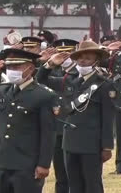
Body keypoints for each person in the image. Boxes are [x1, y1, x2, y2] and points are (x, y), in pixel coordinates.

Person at [0, 47, 57, 193]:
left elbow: (48, 133)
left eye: (16, 66)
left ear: (30, 68)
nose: (11, 70)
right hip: (2, 161)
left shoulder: (43, 95)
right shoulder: (2, 90)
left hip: (27, 163)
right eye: (9, 67)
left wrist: (44, 164)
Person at [45, 40, 115, 193]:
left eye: (88, 58)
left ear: (96, 61)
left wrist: (107, 146)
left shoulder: (104, 84)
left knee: (92, 184)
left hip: (91, 143)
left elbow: (107, 118)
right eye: (80, 58)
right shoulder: (69, 80)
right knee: (74, 185)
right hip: (69, 142)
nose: (83, 61)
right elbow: (41, 80)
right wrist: (50, 64)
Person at [36, 39, 79, 193]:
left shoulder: (80, 72)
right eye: (61, 54)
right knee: (61, 175)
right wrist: (48, 64)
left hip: (76, 129)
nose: (64, 58)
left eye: (67, 54)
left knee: (76, 176)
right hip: (58, 127)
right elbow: (39, 79)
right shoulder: (53, 72)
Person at [102, 41, 121, 174]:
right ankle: (120, 165)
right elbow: (99, 62)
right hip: (120, 101)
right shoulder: (116, 58)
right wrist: (107, 50)